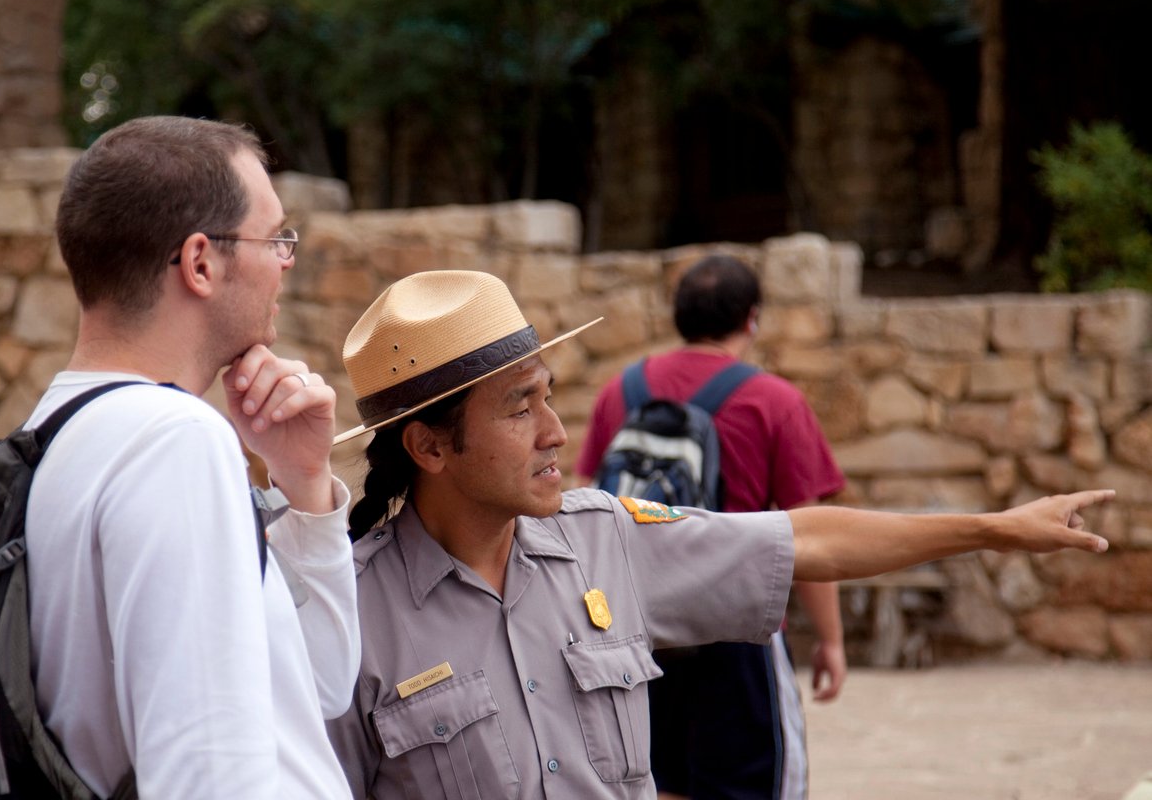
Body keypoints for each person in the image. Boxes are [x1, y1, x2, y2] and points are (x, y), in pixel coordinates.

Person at [325, 268, 1112, 800]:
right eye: (519, 407)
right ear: (429, 446)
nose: (556, 432)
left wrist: (991, 530)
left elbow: (806, 539)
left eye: (549, 398)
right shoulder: (346, 618)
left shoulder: (604, 541)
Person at [24, 115, 359, 797]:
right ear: (201, 262)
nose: (286, 262)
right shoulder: (171, 440)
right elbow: (205, 771)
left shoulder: (58, 429)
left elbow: (313, 688)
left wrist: (304, 483)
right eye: (276, 239)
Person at [574, 253, 844, 800]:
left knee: (656, 782)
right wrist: (831, 641)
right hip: (737, 627)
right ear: (752, 319)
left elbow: (581, 500)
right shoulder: (775, 402)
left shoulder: (620, 392)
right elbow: (808, 538)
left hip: (639, 627)